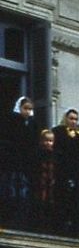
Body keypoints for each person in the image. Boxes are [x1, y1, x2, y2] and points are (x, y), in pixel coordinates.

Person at [0, 96, 39, 225]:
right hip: (11, 163)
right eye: (25, 108)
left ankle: (20, 220)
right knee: (9, 191)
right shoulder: (11, 120)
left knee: (23, 193)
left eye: (30, 109)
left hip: (25, 164)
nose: (28, 112)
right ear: (19, 108)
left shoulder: (33, 124)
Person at [52, 108, 79, 235]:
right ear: (66, 119)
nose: (73, 121)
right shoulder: (58, 131)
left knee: (72, 201)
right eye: (71, 118)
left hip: (74, 172)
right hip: (61, 170)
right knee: (60, 199)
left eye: (76, 119)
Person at [31, 128, 57, 230]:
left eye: (50, 141)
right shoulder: (38, 153)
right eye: (46, 140)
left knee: (49, 204)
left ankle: (48, 225)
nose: (48, 143)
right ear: (42, 141)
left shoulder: (55, 154)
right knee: (39, 202)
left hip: (50, 183)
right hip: (40, 182)